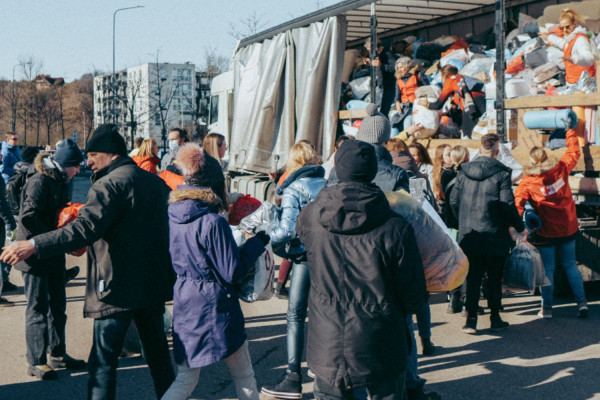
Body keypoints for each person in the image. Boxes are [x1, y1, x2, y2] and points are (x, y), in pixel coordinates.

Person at [1, 124, 176, 399]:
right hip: (151, 286)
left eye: (93, 153)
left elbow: (84, 228)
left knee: (103, 365)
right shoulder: (155, 183)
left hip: (116, 289)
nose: (88, 161)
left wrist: (34, 244)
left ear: (112, 153)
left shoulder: (109, 184)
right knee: (159, 359)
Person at [296, 140, 428, 400]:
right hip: (381, 338)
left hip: (327, 339)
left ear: (337, 167)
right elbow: (413, 293)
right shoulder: (396, 226)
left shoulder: (311, 216)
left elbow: (296, 245)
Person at [161, 143, 267, 400]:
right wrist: (256, 243)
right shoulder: (213, 221)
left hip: (186, 300)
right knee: (244, 376)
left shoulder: (174, 213)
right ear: (214, 185)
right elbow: (231, 271)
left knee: (185, 378)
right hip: (217, 305)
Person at [11, 139, 86, 379]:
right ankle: (36, 361)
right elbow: (28, 218)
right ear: (65, 165)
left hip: (51, 252)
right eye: (76, 167)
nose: (78, 171)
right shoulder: (40, 181)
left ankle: (58, 354)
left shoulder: (60, 179)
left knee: (58, 307)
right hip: (33, 255)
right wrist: (51, 237)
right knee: (38, 308)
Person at [261, 142, 327, 400]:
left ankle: (292, 377)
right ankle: (322, 372)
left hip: (303, 257)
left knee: (295, 315)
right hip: (327, 257)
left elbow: (287, 231)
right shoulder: (327, 184)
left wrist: (267, 236)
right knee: (324, 313)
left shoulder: (293, 188)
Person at [449, 134, 526, 334]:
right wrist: (519, 226)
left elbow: (454, 201)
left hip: (470, 234)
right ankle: (495, 317)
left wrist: (464, 220)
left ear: (480, 149)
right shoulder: (501, 174)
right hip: (494, 234)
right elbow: (507, 205)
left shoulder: (463, 172)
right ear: (497, 151)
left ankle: (471, 319)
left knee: (473, 277)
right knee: (494, 278)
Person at [514, 127, 588, 319]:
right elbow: (574, 152)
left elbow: (517, 204)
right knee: (571, 266)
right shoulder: (561, 169)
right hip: (568, 228)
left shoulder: (528, 182)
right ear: (546, 158)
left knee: (548, 270)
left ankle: (546, 309)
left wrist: (519, 226)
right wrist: (570, 130)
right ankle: (581, 303)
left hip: (546, 233)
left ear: (531, 162)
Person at [331, 104, 409, 192]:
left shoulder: (336, 171)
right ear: (386, 142)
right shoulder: (397, 174)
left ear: (360, 137)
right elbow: (404, 205)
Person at [441, 145, 469, 314]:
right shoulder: (467, 175)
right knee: (466, 264)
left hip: (451, 224)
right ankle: (466, 301)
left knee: (453, 264)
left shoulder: (446, 175)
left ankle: (453, 299)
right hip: (465, 224)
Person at [539, 8, 596, 85]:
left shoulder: (580, 39)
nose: (565, 30)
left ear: (574, 24)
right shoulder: (570, 39)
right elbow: (562, 44)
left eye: (567, 27)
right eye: (562, 28)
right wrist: (548, 37)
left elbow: (589, 58)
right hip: (574, 82)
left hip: (584, 83)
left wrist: (573, 59)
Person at [427, 65, 484, 138]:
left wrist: (426, 104)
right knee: (479, 131)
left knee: (468, 135)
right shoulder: (460, 80)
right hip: (480, 102)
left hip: (472, 107)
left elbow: (438, 105)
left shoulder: (450, 80)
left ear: (444, 75)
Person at [363, 38, 397, 116]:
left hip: (389, 87)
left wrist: (381, 66)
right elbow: (375, 71)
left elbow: (394, 68)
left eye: (370, 50)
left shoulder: (387, 54)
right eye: (368, 50)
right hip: (380, 86)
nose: (369, 52)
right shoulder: (376, 56)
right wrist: (369, 64)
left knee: (384, 112)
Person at [394, 57, 430, 131]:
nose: (399, 70)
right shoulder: (398, 80)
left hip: (418, 106)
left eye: (401, 67)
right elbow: (397, 95)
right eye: (398, 68)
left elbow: (428, 90)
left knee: (409, 126)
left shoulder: (418, 75)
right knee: (395, 125)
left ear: (407, 66)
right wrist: (397, 103)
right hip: (405, 108)